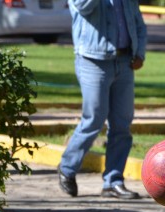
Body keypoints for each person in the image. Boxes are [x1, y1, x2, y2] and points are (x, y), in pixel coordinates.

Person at [58, 0, 147, 199]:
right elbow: (82, 7)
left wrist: (140, 52)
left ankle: (113, 182)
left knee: (122, 124)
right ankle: (67, 168)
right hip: (93, 62)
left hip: (125, 62)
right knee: (94, 120)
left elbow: (139, 23)